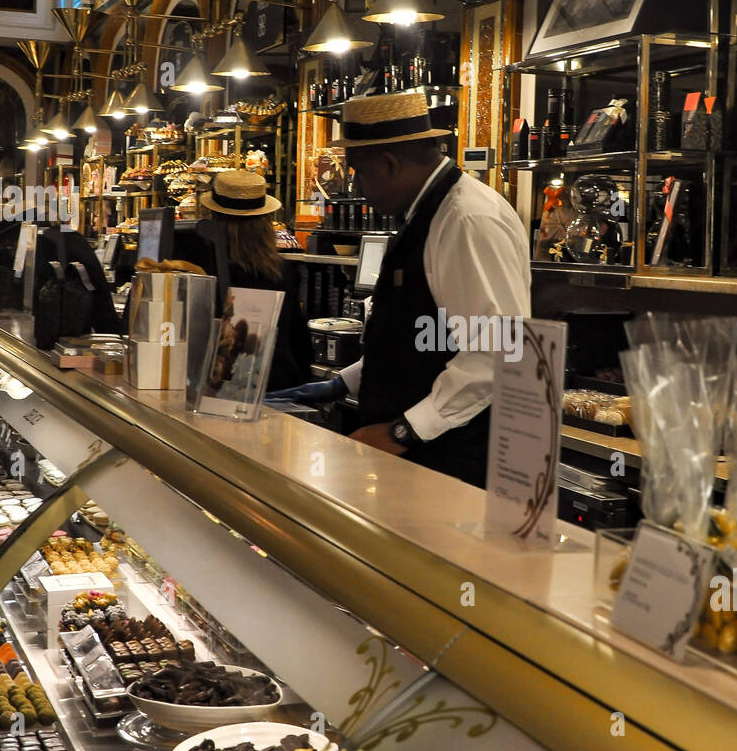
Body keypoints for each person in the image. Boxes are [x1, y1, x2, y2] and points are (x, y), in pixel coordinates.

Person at [270, 92, 531, 488]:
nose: (358, 186)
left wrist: (403, 431)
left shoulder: (466, 219)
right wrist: (346, 381)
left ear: (389, 164)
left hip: (450, 459)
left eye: (359, 172)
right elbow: (422, 336)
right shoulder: (429, 212)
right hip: (420, 452)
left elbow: (498, 348)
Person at [197, 170, 312, 392]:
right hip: (279, 383)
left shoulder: (207, 265)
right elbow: (299, 341)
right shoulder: (281, 269)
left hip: (226, 387)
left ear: (215, 217)